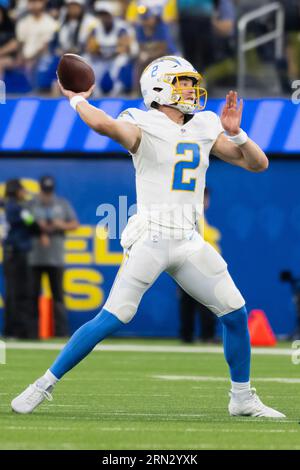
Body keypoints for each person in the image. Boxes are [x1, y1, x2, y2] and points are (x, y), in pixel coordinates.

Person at [12, 55, 285, 418]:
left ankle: (242, 398)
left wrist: (237, 133)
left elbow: (257, 163)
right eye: (182, 82)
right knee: (113, 316)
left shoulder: (204, 124)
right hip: (152, 236)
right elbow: (105, 126)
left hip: (189, 239)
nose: (190, 88)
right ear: (158, 89)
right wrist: (77, 98)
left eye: (190, 81)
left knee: (235, 313)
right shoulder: (141, 121)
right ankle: (41, 385)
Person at [28, 176, 79, 338]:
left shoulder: (61, 203)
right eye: (44, 191)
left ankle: (61, 333)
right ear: (40, 189)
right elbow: (24, 223)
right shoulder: (31, 204)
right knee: (32, 296)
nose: (47, 195)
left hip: (56, 258)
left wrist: (60, 225)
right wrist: (38, 227)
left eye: (49, 191)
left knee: (58, 297)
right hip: (34, 257)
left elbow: (75, 224)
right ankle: (32, 333)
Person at [179, 188, 219, 343]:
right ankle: (197, 335)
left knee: (191, 300)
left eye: (206, 198)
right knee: (201, 300)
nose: (205, 202)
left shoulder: (200, 217)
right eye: (203, 198)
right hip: (191, 262)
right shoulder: (190, 216)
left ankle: (193, 335)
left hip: (195, 263)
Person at [2, 180, 38, 339]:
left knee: (13, 292)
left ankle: (13, 329)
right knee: (19, 292)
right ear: (17, 191)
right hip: (17, 253)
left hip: (11, 253)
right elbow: (32, 223)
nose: (25, 192)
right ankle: (17, 330)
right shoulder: (16, 208)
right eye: (22, 189)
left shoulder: (7, 206)